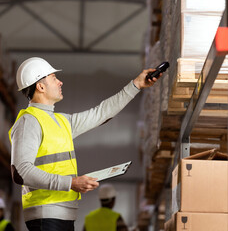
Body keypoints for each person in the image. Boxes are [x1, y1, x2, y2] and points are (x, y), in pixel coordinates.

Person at [9, 57, 161, 231]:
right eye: (53, 78)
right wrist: (71, 183)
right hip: (46, 214)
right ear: (40, 86)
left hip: (62, 215)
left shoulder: (61, 121)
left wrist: (136, 85)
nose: (60, 82)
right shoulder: (29, 122)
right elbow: (21, 172)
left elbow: (101, 113)